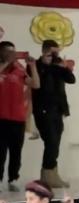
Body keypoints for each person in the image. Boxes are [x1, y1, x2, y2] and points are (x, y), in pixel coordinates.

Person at [32, 40, 75, 189]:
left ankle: (50, 175)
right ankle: (48, 175)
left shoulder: (57, 66)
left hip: (58, 110)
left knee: (55, 143)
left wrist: (63, 67)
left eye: (57, 52)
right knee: (51, 142)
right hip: (43, 109)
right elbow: (37, 85)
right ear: (44, 51)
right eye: (53, 52)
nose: (56, 55)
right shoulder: (35, 65)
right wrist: (46, 65)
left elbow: (71, 80)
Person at [0, 41, 39, 192]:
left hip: (17, 118)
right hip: (1, 118)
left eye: (13, 51)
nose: (12, 54)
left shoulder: (19, 69)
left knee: (16, 152)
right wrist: (5, 63)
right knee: (0, 152)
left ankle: (13, 179)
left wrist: (33, 66)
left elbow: (35, 84)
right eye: (8, 51)